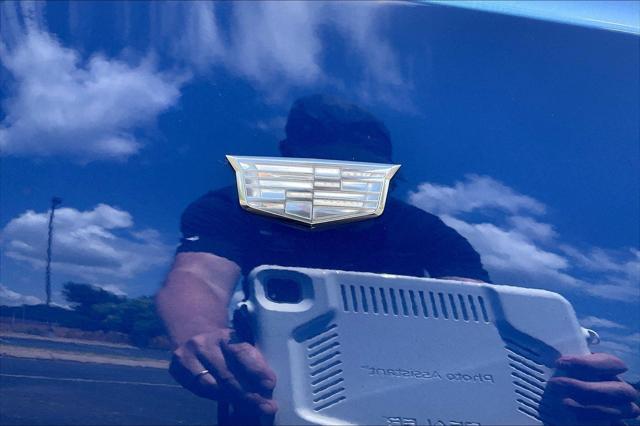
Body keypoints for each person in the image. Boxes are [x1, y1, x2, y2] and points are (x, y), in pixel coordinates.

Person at [157, 95, 639, 425]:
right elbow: (199, 276)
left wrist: (563, 384)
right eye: (326, 167)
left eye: (361, 171)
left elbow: (479, 311)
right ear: (290, 159)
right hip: (275, 397)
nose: (343, 184)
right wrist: (202, 334)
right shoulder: (231, 208)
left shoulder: (425, 230)